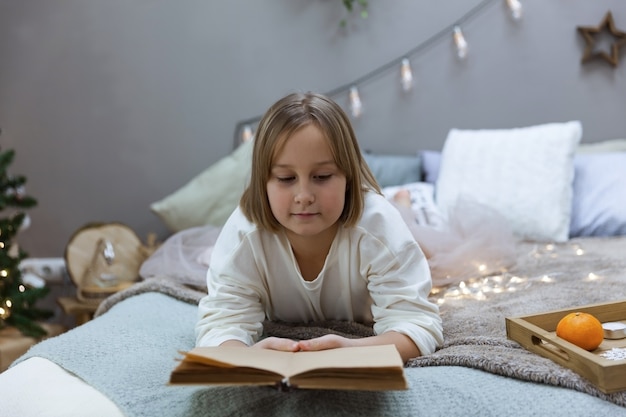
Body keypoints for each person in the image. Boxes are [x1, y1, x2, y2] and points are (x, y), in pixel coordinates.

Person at [195, 92, 443, 362]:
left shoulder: (378, 224)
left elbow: (418, 324)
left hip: (381, 230)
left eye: (322, 177)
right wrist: (247, 357)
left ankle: (404, 201)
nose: (304, 195)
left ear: (348, 176)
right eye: (286, 178)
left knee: (431, 256)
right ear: (263, 182)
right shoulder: (245, 233)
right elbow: (219, 326)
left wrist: (353, 351)